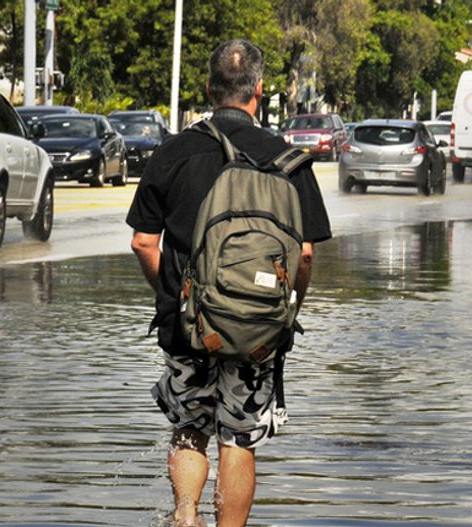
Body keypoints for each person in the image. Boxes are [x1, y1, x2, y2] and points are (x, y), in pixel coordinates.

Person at [126, 39, 331, 527]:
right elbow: (303, 253)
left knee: (189, 426)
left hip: (187, 326)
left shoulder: (172, 153)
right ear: (259, 90)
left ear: (208, 89)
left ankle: (184, 515)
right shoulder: (288, 160)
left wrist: (176, 298)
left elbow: (142, 243)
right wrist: (286, 311)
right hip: (258, 331)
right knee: (238, 438)